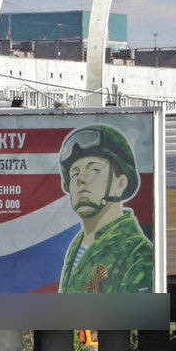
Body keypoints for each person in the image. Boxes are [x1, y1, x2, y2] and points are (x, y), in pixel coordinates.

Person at [57, 124, 154, 294]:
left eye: (94, 170)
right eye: (74, 174)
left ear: (120, 184)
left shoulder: (137, 253)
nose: (81, 180)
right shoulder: (77, 246)